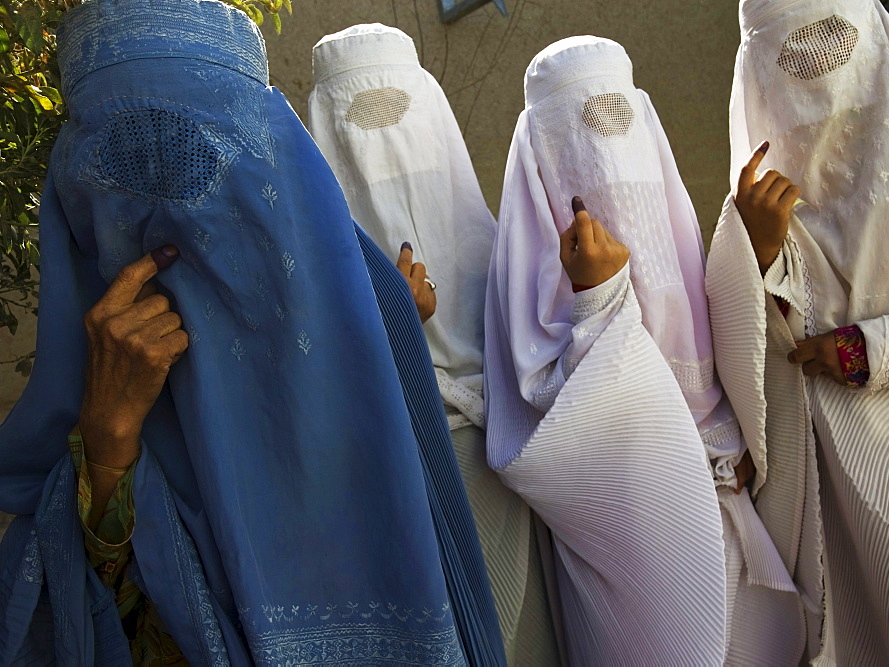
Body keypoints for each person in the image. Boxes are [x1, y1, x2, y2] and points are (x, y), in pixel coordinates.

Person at [0, 1, 505, 663]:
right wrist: (108, 439)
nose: (161, 204)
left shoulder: (373, 322)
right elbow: (61, 611)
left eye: (193, 156)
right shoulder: (87, 391)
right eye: (119, 162)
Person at [483, 36, 797, 665]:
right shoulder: (522, 279)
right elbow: (538, 430)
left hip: (730, 507)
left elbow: (718, 354)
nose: (612, 167)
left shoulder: (679, 231)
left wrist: (754, 254)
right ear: (540, 161)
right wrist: (597, 302)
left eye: (620, 123)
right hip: (632, 549)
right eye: (582, 137)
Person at [706, 0, 889, 662]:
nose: (818, 96)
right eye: (790, 66)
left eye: (834, 49)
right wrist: (753, 258)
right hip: (842, 520)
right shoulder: (754, 209)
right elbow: (749, 377)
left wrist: (888, 347)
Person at [308, 24, 561, 665]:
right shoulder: (310, 275)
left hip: (508, 483)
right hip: (397, 503)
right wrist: (388, 326)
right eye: (364, 124)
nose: (388, 153)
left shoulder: (498, 253)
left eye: (402, 116)